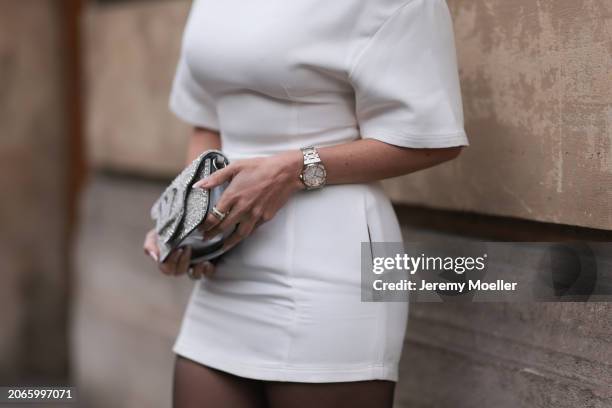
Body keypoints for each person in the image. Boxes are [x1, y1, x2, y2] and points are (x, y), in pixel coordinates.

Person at [143, 0, 469, 406]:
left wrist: (293, 170)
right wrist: (189, 223)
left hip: (332, 271)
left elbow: (431, 139)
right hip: (226, 272)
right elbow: (207, 119)